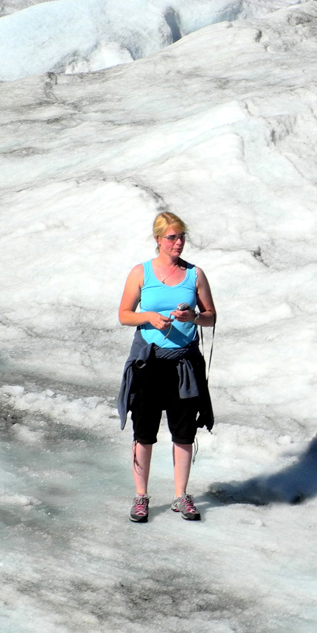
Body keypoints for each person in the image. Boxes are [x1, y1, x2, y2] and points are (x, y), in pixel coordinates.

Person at [117, 212, 215, 522]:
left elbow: (211, 316)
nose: (178, 242)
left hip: (184, 365)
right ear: (158, 239)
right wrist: (148, 317)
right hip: (149, 364)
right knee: (143, 432)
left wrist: (194, 318)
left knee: (184, 434)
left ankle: (180, 495)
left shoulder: (195, 274)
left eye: (181, 236)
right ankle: (141, 496)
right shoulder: (140, 273)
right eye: (172, 237)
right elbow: (124, 314)